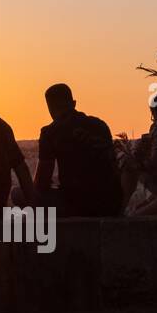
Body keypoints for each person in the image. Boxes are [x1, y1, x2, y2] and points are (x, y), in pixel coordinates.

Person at [30, 83, 123, 216]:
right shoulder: (99, 125)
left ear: (50, 108)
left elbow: (41, 183)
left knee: (18, 194)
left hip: (77, 205)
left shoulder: (50, 132)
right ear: (74, 103)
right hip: (111, 204)